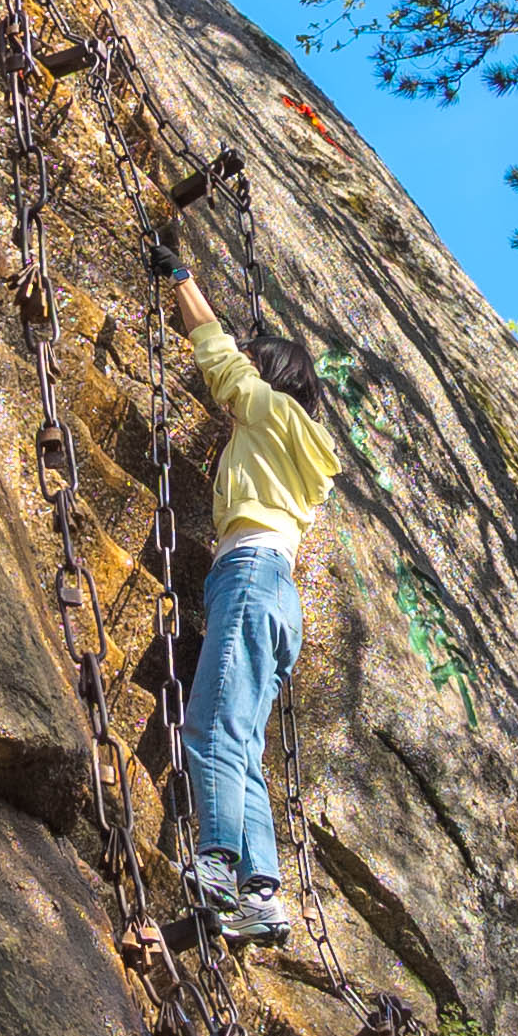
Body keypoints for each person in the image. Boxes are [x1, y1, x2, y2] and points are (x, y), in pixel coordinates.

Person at [149, 243, 341, 946]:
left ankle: (219, 861)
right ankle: (262, 893)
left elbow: (217, 356)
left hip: (250, 572)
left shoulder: (266, 412)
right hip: (280, 591)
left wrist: (182, 280)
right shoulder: (308, 448)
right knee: (244, 745)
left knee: (209, 730)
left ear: (274, 378)